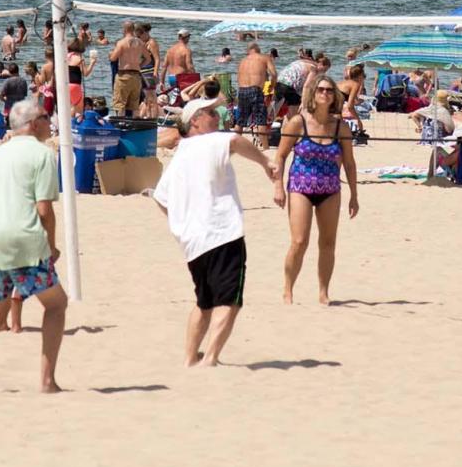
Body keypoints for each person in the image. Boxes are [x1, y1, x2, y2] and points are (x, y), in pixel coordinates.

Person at [152, 98, 280, 366]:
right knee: (230, 300)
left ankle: (189, 358)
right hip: (222, 233)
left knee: (204, 303)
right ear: (194, 121)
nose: (217, 115)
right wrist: (265, 162)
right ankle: (210, 358)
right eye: (210, 112)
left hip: (192, 241)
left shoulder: (180, 155)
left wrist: (183, 222)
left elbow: (161, 199)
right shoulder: (208, 141)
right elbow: (234, 140)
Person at [0, 100, 67, 396]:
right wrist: (52, 246)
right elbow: (44, 209)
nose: (50, 123)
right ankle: (47, 381)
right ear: (33, 124)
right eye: (46, 117)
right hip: (20, 237)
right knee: (56, 304)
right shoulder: (42, 153)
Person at [272, 74, 360, 305]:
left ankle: (323, 292)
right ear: (313, 93)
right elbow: (280, 156)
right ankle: (288, 290)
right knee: (299, 241)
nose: (325, 94)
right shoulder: (298, 122)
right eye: (321, 89)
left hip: (330, 188)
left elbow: (350, 163)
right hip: (301, 187)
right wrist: (278, 187)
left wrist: (354, 195)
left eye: (330, 91)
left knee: (328, 242)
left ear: (335, 97)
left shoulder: (340, 127)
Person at [235, 42, 272, 130]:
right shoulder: (264, 58)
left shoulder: (242, 61)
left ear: (248, 51)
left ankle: (235, 142)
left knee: (240, 121)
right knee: (261, 120)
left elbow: (239, 78)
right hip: (256, 90)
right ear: (258, 49)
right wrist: (270, 89)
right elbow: (274, 74)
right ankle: (265, 144)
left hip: (242, 90)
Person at [109, 22, 143, 115]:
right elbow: (147, 59)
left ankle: (121, 123)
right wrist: (139, 64)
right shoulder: (140, 42)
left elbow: (113, 58)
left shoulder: (121, 42)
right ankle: (136, 126)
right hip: (136, 75)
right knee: (135, 105)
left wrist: (111, 53)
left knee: (120, 103)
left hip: (124, 75)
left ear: (124, 29)